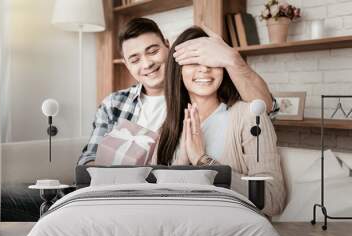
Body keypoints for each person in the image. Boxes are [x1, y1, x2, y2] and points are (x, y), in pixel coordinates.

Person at [77, 17, 276, 166]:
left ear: (168, 46)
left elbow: (265, 109)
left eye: (153, 51)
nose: (147, 64)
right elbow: (89, 159)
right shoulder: (114, 104)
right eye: (135, 59)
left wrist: (232, 59)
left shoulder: (201, 93)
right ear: (127, 65)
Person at [156, 26, 286, 217]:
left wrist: (204, 161)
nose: (204, 69)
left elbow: (274, 199)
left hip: (232, 231)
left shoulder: (249, 117)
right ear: (178, 71)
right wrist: (182, 163)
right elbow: (161, 201)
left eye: (211, 61)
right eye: (193, 61)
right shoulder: (168, 127)